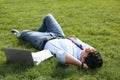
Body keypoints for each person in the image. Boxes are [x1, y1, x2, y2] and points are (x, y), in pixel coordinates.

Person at [11, 14, 103, 70]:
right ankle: (36, 33)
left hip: (44, 41)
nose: (90, 49)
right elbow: (91, 52)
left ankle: (20, 35)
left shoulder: (72, 58)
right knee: (48, 17)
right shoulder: (86, 50)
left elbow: (61, 55)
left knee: (24, 32)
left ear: (83, 60)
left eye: (89, 52)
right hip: (59, 35)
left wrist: (82, 65)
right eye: (92, 50)